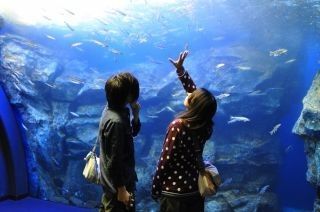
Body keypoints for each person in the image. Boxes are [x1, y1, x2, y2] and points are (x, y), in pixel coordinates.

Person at [151, 51, 218, 212]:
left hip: (175, 194)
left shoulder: (178, 126)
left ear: (194, 104)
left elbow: (165, 160)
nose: (190, 93)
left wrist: (155, 185)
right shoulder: (205, 125)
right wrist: (181, 71)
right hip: (195, 190)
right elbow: (196, 97)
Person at [99, 72, 141, 212]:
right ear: (128, 96)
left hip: (116, 182)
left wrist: (135, 115)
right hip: (117, 187)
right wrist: (121, 189)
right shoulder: (116, 121)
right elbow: (114, 160)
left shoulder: (113, 109)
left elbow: (132, 134)